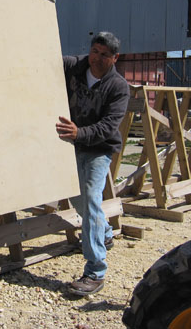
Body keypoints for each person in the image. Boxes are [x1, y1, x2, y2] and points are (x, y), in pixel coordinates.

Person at [56, 31, 129, 296]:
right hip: (73, 143)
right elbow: (48, 59)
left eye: (104, 55)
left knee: (89, 199)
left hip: (98, 149)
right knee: (77, 199)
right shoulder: (75, 66)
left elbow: (109, 127)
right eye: (94, 52)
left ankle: (95, 272)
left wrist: (80, 133)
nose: (97, 59)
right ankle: (105, 233)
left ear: (114, 58)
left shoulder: (119, 87)